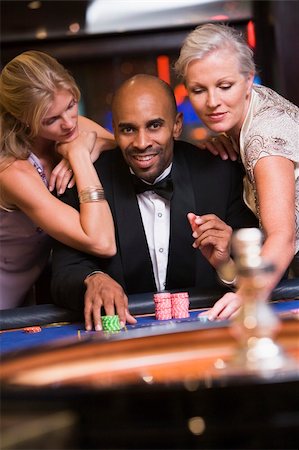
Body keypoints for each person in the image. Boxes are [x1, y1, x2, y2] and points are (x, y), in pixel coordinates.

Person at [51, 74, 258, 331]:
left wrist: (225, 261)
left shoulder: (220, 174)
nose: (141, 142)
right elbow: (63, 270)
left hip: (209, 335)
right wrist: (92, 278)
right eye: (128, 129)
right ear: (114, 129)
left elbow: (261, 276)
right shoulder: (87, 179)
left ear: (177, 125)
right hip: (122, 342)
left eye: (154, 126)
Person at [175, 23, 299, 319]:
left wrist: (247, 296)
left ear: (248, 79)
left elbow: (283, 236)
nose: (213, 102)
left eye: (224, 86)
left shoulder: (264, 135)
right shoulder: (248, 113)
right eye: (198, 90)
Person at [0, 50, 117, 309]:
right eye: (51, 119)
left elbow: (132, 147)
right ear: (23, 119)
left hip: (28, 292)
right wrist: (80, 155)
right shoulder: (12, 171)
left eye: (71, 105)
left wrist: (90, 148)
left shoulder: (72, 127)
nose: (68, 123)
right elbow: (102, 242)